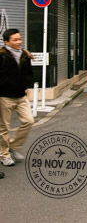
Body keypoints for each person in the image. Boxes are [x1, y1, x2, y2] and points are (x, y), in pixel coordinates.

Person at [0, 28, 35, 167]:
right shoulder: (1, 56)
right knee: (4, 128)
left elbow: (29, 74)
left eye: (20, 39)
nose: (19, 42)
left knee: (29, 121)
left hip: (21, 96)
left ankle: (13, 146)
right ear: (7, 42)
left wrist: (27, 87)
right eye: (15, 39)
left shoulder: (25, 55)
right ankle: (4, 155)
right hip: (5, 97)